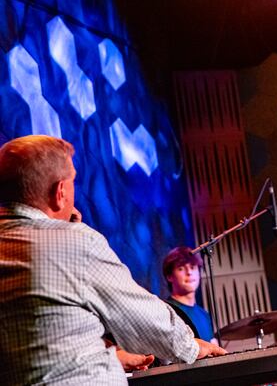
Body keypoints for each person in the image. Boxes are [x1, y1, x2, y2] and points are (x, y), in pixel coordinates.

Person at [0, 135, 226, 385]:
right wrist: (190, 346)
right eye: (73, 180)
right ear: (60, 192)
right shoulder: (76, 243)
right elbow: (142, 317)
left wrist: (112, 355)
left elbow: (39, 338)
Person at [162, 246, 217, 344]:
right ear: (170, 276)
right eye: (181, 268)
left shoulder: (204, 314)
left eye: (192, 267)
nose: (189, 272)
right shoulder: (166, 311)